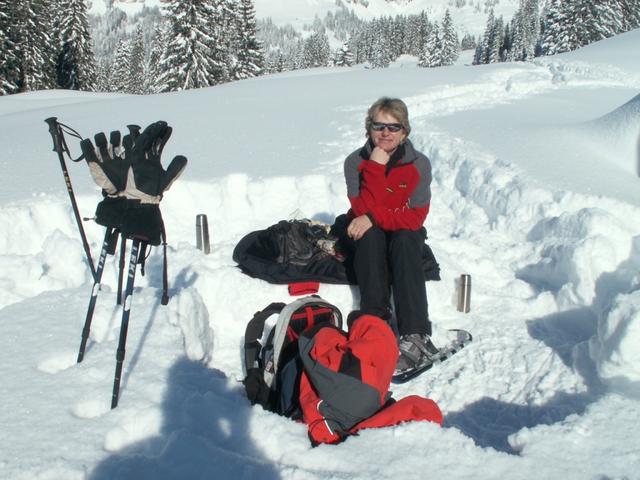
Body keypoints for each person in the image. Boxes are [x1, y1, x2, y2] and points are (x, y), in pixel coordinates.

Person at [341, 97, 437, 374]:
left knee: (407, 238)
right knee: (370, 238)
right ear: (368, 129)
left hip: (399, 231)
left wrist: (373, 218)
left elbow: (416, 217)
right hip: (366, 231)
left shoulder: (419, 165)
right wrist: (374, 167)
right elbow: (361, 209)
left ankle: (416, 335)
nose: (386, 133)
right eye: (378, 126)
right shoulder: (355, 162)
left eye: (394, 127)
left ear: (405, 132)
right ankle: (375, 322)